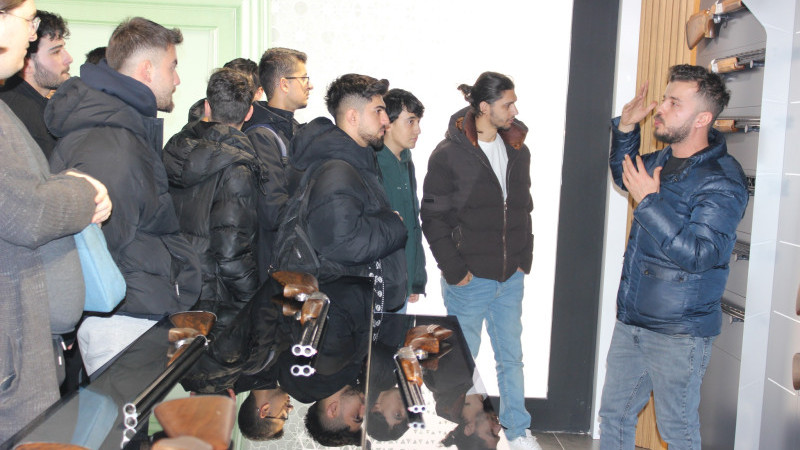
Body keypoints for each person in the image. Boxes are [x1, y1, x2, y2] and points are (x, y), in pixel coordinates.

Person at [598, 65, 749, 449]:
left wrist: (649, 202)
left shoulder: (723, 180)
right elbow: (625, 174)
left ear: (702, 119)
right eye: (665, 98)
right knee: (614, 417)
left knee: (677, 433)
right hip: (633, 319)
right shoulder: (664, 159)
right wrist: (626, 129)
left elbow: (700, 255)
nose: (660, 108)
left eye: (674, 103)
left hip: (680, 333)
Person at [47, 17, 201, 376]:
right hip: (122, 322)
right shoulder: (112, 142)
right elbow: (97, 249)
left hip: (130, 315)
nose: (177, 79)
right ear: (147, 70)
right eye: (172, 67)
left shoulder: (120, 131)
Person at [0, 0, 111, 439]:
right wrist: (85, 191)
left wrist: (64, 182)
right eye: (28, 21)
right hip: (12, 356)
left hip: (23, 343)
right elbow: (26, 212)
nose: (32, 35)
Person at [420, 71, 536, 449]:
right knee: (459, 365)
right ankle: (462, 434)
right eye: (507, 104)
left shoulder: (517, 148)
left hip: (509, 277)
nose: (514, 110)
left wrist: (524, 256)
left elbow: (523, 207)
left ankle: (518, 433)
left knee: (511, 359)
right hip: (469, 280)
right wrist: (455, 270)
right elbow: (432, 218)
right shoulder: (449, 154)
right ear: (484, 107)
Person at [286, 72, 408, 317]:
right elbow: (343, 243)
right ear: (353, 116)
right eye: (378, 111)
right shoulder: (337, 169)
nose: (386, 120)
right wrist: (394, 225)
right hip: (344, 308)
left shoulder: (355, 160)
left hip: (353, 302)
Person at [163, 68, 260, 330]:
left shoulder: (174, 150)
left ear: (207, 107)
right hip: (215, 297)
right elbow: (231, 250)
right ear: (249, 113)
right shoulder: (237, 167)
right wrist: (253, 297)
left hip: (174, 282)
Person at [244, 47, 313, 280]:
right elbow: (273, 212)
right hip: (275, 265)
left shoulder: (294, 131)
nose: (310, 85)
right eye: (304, 78)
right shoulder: (261, 136)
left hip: (294, 262)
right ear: (284, 84)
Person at [376, 88, 427, 312]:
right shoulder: (372, 162)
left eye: (418, 122)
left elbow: (413, 224)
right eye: (411, 121)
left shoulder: (406, 159)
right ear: (388, 123)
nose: (418, 130)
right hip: (381, 284)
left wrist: (415, 278)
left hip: (402, 281)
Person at [0, 10, 72, 158]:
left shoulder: (38, 106)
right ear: (26, 62)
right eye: (56, 52)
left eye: (63, 48)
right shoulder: (18, 115)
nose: (68, 58)